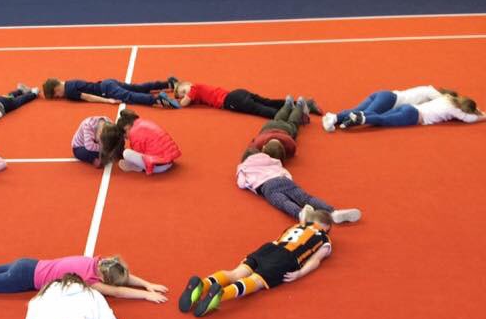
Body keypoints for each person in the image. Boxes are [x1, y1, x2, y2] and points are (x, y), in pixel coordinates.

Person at [179, 209, 333, 317]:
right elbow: (315, 260)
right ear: (326, 228)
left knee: (235, 273)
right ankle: (220, 295)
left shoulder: (296, 226)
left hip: (268, 248)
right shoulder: (323, 238)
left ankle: (203, 284)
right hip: (286, 257)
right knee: (257, 281)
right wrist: (299, 273)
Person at [237, 102, 361, 223]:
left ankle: (300, 213)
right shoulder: (273, 161)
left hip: (268, 187)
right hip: (282, 179)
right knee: (307, 198)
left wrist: (250, 186)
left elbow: (241, 183)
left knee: (284, 203)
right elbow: (284, 171)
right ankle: (333, 212)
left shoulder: (244, 167)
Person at [0, 252, 167, 302]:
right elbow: (119, 290)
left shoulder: (97, 261)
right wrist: (146, 295)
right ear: (104, 279)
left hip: (27, 263)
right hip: (23, 280)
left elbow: (121, 276)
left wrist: (147, 284)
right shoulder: (92, 280)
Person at [171, 76, 322, 120]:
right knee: (267, 101)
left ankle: (294, 115)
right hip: (238, 93)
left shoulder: (194, 87)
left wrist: (173, 101)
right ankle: (305, 104)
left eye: (183, 91)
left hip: (231, 100)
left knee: (259, 110)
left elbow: (184, 103)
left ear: (188, 84)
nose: (185, 94)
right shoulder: (197, 93)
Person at [327, 90, 485, 131]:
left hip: (409, 108)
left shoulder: (446, 98)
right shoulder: (455, 110)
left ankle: (350, 120)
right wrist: (481, 115)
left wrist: (474, 107)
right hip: (413, 116)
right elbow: (469, 119)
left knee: (380, 115)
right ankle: (361, 118)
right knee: (382, 120)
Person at [99, 110, 181, 175]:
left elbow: (139, 153)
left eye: (125, 136)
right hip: (169, 160)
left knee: (126, 153)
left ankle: (141, 169)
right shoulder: (143, 122)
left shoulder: (134, 133)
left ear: (127, 128)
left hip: (160, 167)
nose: (127, 138)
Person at [42, 77, 180, 109]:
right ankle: (168, 84)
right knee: (137, 87)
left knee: (130, 96)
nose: (59, 97)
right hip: (107, 82)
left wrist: (108, 100)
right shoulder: (68, 82)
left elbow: (88, 97)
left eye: (56, 95)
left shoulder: (69, 91)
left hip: (106, 91)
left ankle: (157, 99)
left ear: (57, 89)